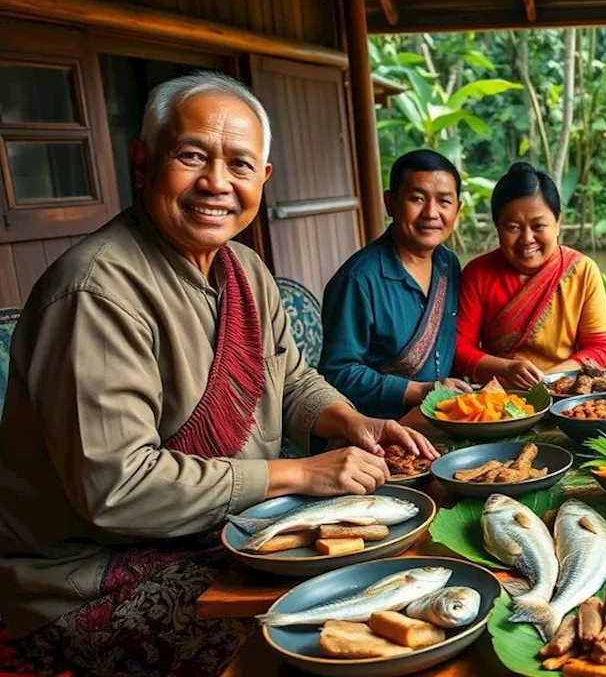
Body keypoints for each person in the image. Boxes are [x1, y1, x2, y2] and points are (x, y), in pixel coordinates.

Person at [0, 73, 436, 677]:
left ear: (263, 179)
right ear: (143, 163)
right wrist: (301, 474)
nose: (216, 183)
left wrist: (355, 421)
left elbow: (290, 377)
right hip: (90, 577)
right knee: (313, 643)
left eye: (239, 164)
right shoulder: (97, 293)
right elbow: (117, 489)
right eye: (192, 156)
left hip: (218, 529)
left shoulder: (244, 268)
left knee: (403, 580)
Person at [320, 149, 472, 420]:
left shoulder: (449, 265)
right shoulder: (358, 280)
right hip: (378, 429)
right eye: (417, 199)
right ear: (391, 203)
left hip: (445, 418)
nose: (431, 213)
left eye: (444, 202)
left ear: (457, 209)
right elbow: (337, 373)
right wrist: (422, 391)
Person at [454, 162, 606, 389]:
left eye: (538, 226)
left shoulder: (582, 271)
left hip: (566, 394)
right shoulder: (478, 274)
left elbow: (598, 348)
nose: (527, 238)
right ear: (498, 227)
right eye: (513, 227)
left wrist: (549, 380)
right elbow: (459, 348)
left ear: (558, 223)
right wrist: (505, 369)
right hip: (496, 396)